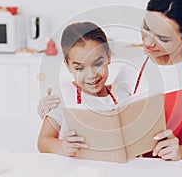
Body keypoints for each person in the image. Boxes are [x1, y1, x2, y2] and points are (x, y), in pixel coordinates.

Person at [38, 0, 182, 161]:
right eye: (146, 28)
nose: (148, 42)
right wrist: (53, 107)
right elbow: (97, 105)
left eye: (163, 38)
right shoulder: (131, 69)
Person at [37, 21, 131, 157]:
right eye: (80, 68)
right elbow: (43, 141)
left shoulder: (121, 94)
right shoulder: (61, 96)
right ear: (68, 66)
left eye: (98, 64)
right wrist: (63, 146)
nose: (91, 75)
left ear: (108, 56)